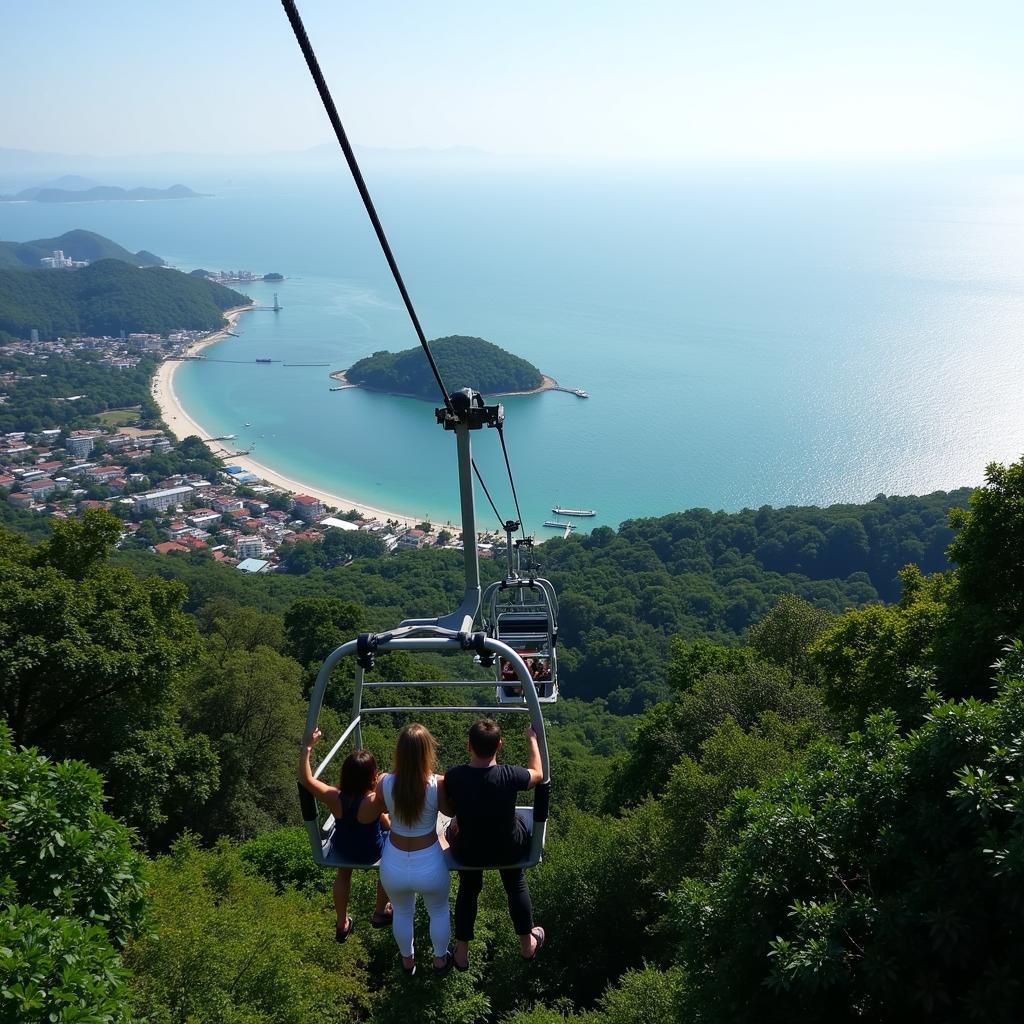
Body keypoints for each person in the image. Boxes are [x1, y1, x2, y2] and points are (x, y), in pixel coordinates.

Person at [440, 719, 545, 970]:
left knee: (469, 886)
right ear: (499, 745)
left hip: (469, 852)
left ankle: (462, 952)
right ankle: (526, 943)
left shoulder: (455, 776)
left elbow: (448, 805)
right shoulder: (510, 775)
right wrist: (532, 739)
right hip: (507, 848)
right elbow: (538, 774)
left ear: (468, 746)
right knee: (515, 880)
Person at [298, 727, 392, 942]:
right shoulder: (374, 801)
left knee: (343, 875)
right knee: (389, 861)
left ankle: (342, 922)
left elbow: (306, 778)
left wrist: (308, 747)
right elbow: (386, 814)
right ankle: (381, 909)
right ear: (372, 776)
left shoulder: (334, 797)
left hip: (344, 850)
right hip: (370, 853)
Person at [377, 723, 452, 975]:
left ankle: (408, 961)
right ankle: (440, 959)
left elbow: (369, 814)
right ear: (427, 751)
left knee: (402, 911)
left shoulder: (385, 782)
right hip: (429, 861)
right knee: (439, 911)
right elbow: (451, 812)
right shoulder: (436, 784)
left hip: (394, 863)